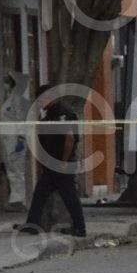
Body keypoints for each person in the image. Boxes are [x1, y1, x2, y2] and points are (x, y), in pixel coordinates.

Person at [15, 84, 87, 237]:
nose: (39, 102)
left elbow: (69, 139)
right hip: (52, 164)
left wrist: (63, 161)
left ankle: (80, 228)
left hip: (61, 164)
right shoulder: (49, 114)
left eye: (41, 99)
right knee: (40, 194)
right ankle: (32, 225)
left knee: (70, 197)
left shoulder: (62, 114)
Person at [0, 71, 30, 213]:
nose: (4, 85)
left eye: (6, 82)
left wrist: (21, 140)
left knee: (17, 170)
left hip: (15, 140)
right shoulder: (9, 99)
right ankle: (15, 199)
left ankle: (18, 200)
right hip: (7, 139)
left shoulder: (17, 101)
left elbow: (21, 122)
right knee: (11, 169)